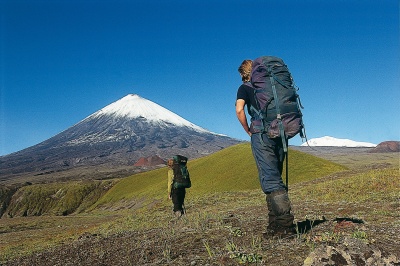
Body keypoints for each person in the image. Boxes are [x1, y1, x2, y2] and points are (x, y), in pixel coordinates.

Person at [235, 59, 296, 237]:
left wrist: (247, 129)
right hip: (280, 134)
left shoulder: (245, 88)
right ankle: (274, 226)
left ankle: (285, 227)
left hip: (261, 135)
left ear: (244, 74)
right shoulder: (274, 86)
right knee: (274, 176)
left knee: (270, 180)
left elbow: (239, 109)